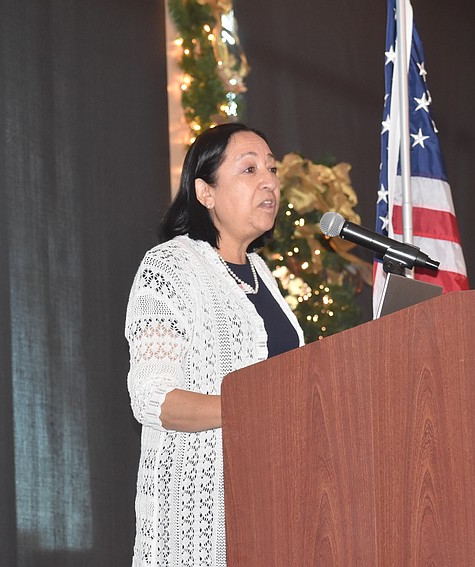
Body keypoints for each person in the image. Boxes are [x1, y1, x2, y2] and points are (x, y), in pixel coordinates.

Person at [125, 122, 304, 566]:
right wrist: (254, 406)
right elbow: (152, 398)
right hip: (200, 523)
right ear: (205, 192)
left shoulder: (264, 275)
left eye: (272, 169)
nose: (269, 181)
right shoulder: (169, 267)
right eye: (249, 169)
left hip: (276, 512)